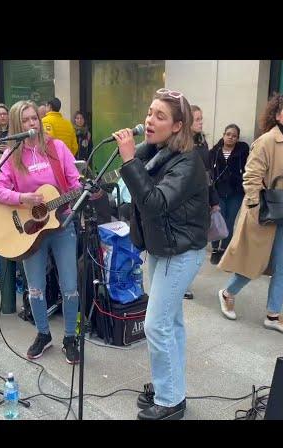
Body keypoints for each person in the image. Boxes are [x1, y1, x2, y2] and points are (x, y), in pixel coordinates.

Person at [113, 88, 209, 420]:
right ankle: (171, 385)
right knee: (171, 322)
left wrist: (128, 161)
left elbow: (154, 203)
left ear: (178, 125)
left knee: (156, 325)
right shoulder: (157, 151)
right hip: (162, 247)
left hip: (180, 252)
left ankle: (170, 400)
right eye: (150, 112)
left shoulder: (188, 162)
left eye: (160, 116)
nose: (150, 120)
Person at [0, 100, 82, 365]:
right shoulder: (11, 155)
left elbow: (75, 183)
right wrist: (23, 198)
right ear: (18, 125)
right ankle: (43, 333)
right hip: (30, 231)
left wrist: (79, 199)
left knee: (70, 287)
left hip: (62, 225)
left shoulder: (57, 148)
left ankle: (69, 338)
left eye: (35, 118)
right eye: (27, 120)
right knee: (35, 289)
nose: (33, 123)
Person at [217, 93, 283, 337]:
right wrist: (256, 208)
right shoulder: (266, 141)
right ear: (277, 115)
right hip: (264, 212)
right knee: (254, 262)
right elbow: (252, 176)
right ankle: (227, 293)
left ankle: (273, 315)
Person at [183, 104, 219, 300]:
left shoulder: (202, 142)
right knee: (189, 246)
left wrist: (214, 201)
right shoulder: (179, 145)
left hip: (202, 200)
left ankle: (185, 282)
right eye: (197, 119)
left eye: (201, 119)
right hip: (186, 202)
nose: (201, 122)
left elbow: (208, 175)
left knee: (198, 246)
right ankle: (183, 285)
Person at [208, 124, 249, 265]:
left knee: (229, 222)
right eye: (228, 134)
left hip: (236, 193)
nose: (231, 137)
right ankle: (214, 250)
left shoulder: (243, 152)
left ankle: (224, 250)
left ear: (237, 138)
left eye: (234, 136)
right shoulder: (214, 151)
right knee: (218, 219)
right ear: (223, 134)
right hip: (218, 192)